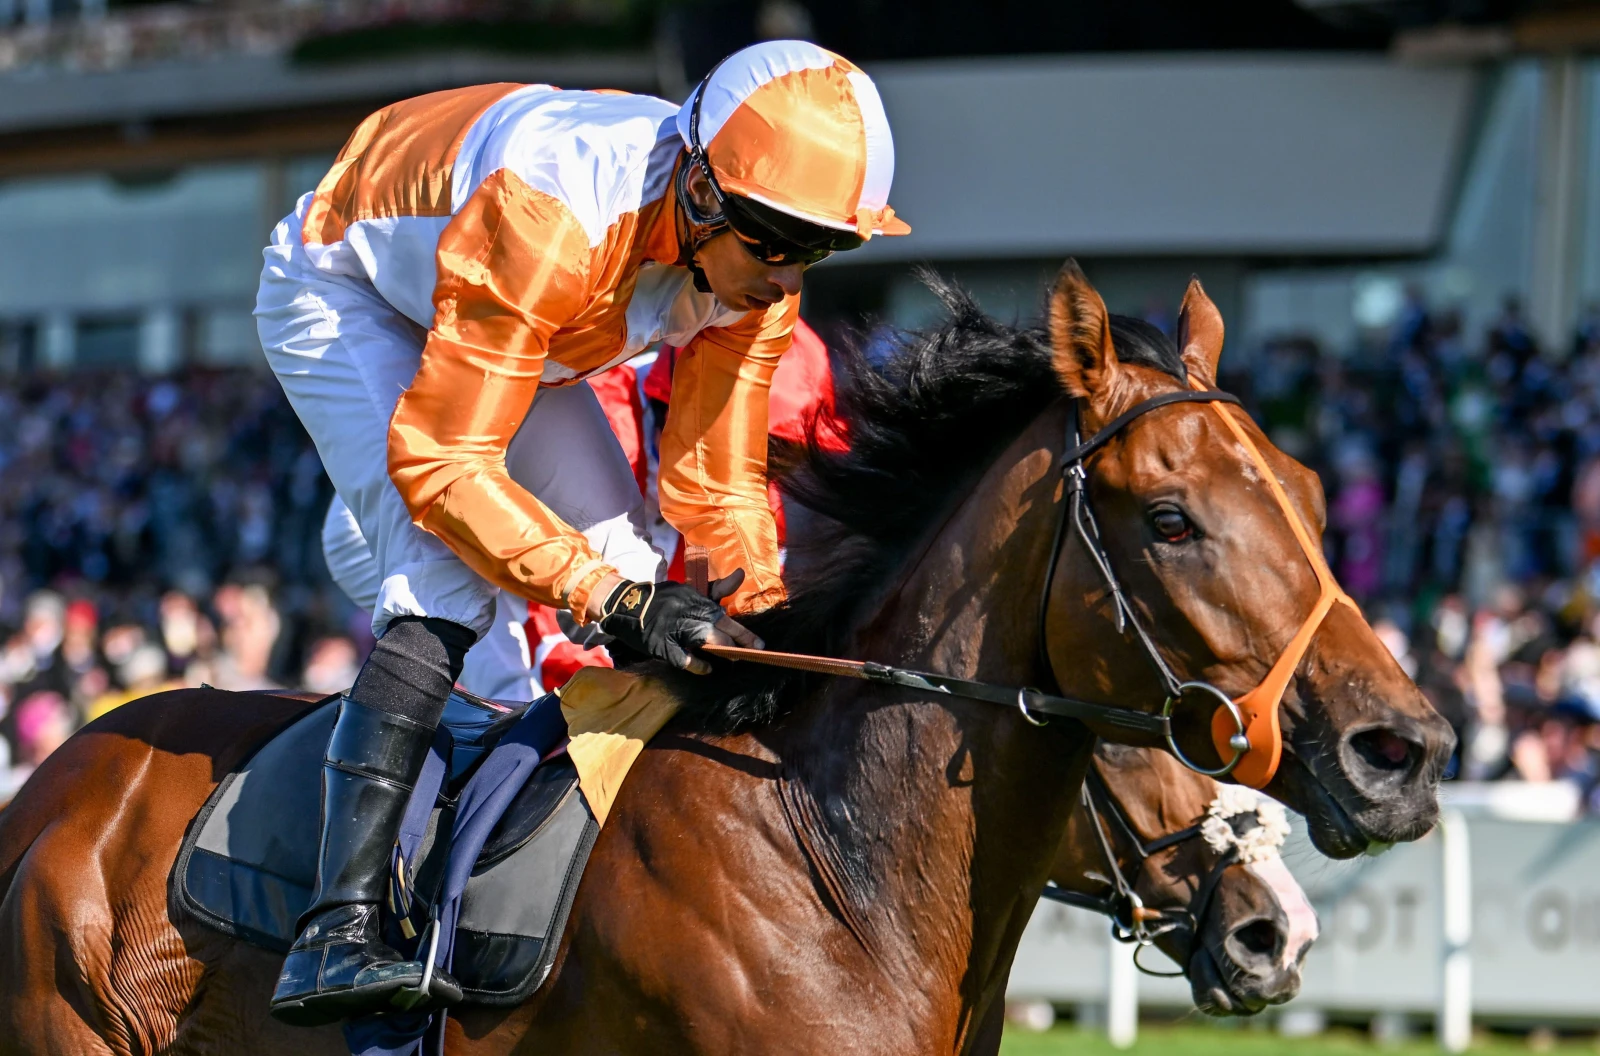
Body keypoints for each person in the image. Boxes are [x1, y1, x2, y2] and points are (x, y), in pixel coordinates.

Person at [254, 39, 906, 1024]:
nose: (785, 276)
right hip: (348, 293)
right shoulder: (553, 212)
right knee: (449, 578)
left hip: (542, 333)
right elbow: (446, 464)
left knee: (636, 555)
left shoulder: (752, 266)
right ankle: (334, 929)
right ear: (696, 191)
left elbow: (712, 482)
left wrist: (767, 623)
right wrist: (612, 603)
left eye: (817, 248)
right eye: (772, 241)